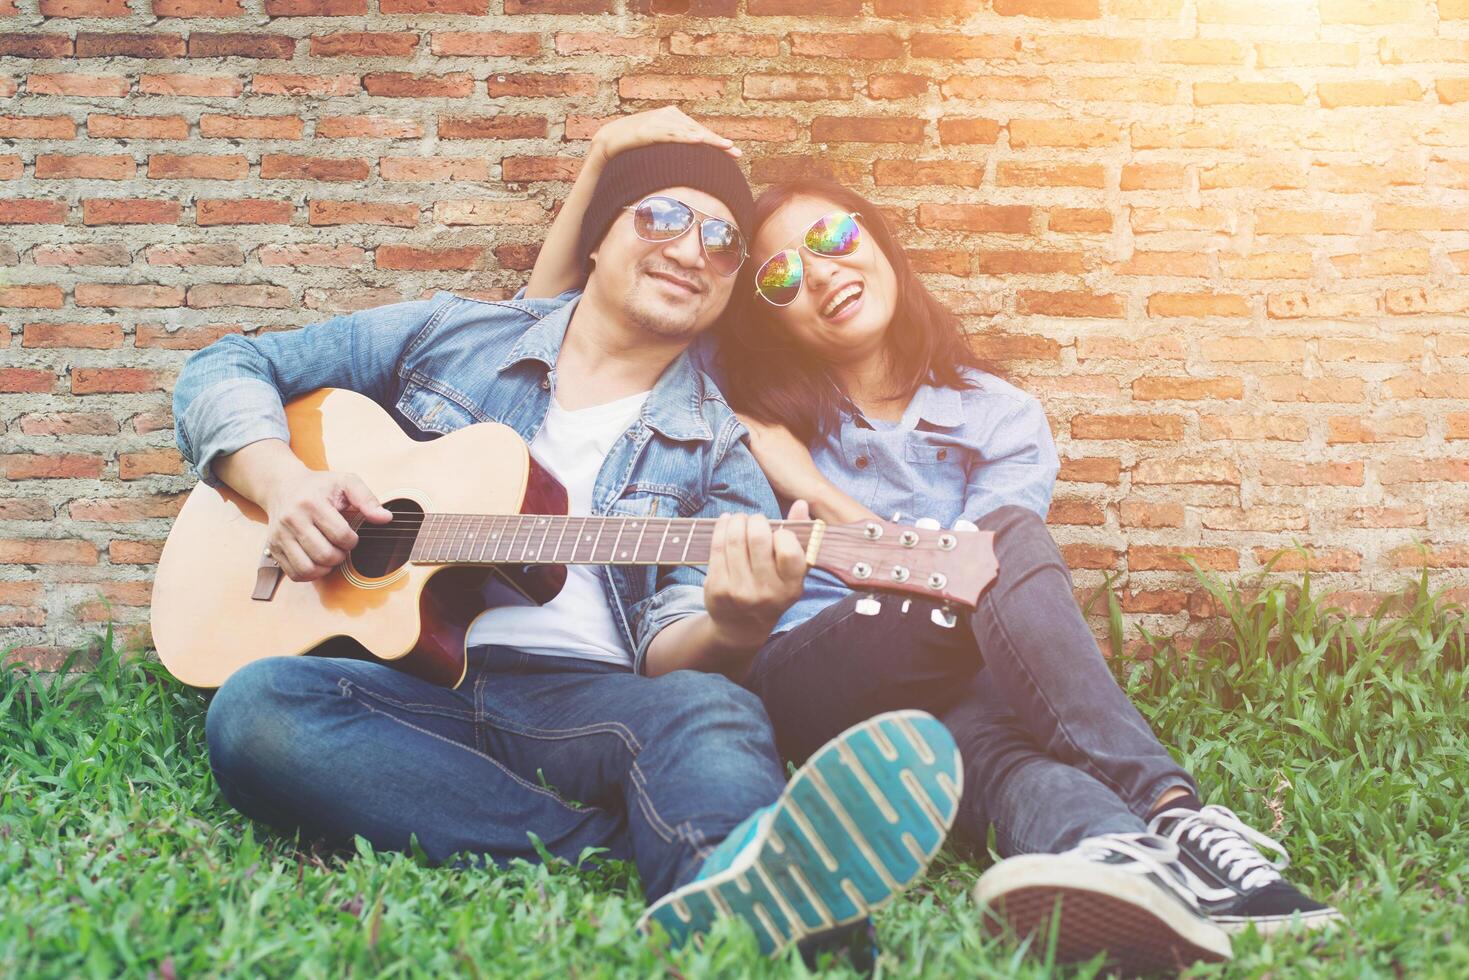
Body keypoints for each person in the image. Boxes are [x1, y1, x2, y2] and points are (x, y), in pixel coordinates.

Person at [525, 109, 1342, 971]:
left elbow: (961, 580)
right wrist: (599, 163)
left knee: (984, 739)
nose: (819, 273)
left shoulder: (998, 416)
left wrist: (811, 489)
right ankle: (1175, 810)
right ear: (765, 316)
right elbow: (546, 339)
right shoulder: (735, 394)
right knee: (1004, 540)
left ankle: (1113, 855)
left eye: (834, 236)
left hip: (945, 682)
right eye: (778, 278)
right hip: (804, 672)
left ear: (879, 241)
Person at [171, 137, 964, 960]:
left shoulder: (721, 450)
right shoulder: (453, 333)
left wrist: (734, 623)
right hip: (403, 688)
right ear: (596, 238)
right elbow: (226, 364)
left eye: (724, 242)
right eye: (663, 217)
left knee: (712, 709)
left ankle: (749, 901)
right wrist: (281, 484)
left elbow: (670, 653)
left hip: (581, 703)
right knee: (257, 711)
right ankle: (625, 848)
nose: (692, 250)